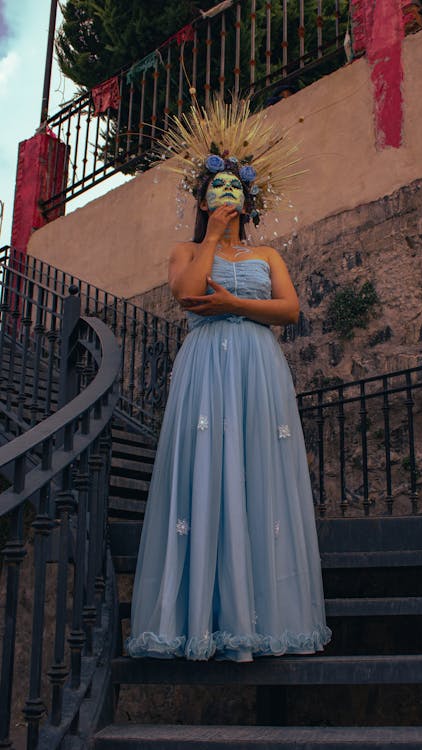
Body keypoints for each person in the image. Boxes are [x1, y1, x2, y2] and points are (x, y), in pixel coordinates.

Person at [126, 97, 331, 662]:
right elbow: (188, 296)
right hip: (206, 369)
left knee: (257, 476)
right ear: (202, 197)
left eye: (233, 190)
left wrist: (235, 302)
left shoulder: (268, 254)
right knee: (209, 476)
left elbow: (289, 311)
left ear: (249, 197)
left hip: (258, 369)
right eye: (215, 190)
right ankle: (201, 623)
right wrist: (212, 238)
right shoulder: (186, 249)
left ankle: (261, 620)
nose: (225, 198)